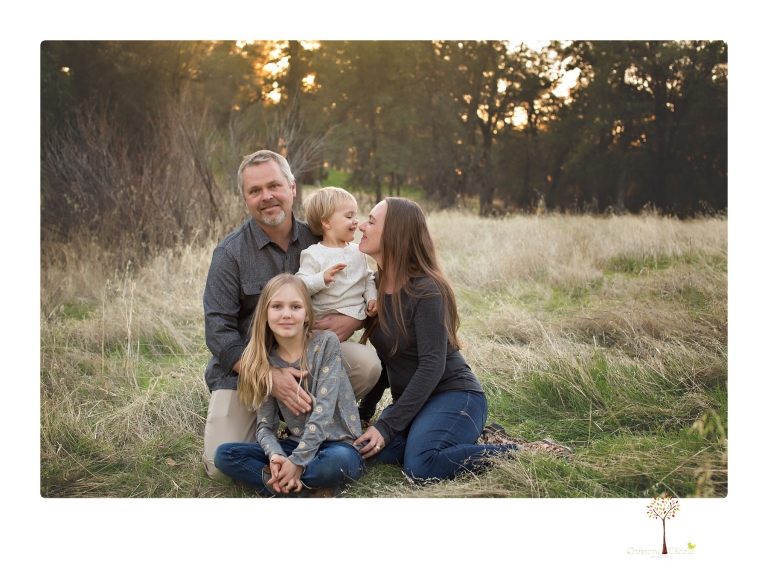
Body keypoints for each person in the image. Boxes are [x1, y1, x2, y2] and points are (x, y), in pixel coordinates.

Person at [353, 197, 571, 483]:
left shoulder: (427, 290)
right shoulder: (374, 288)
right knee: (368, 451)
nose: (361, 227)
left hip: (454, 395)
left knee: (421, 467)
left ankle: (525, 451)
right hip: (416, 401)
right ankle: (466, 437)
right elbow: (386, 356)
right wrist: (365, 415)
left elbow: (432, 365)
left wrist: (388, 426)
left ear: (395, 231)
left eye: (371, 221)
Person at [202, 150, 381, 479]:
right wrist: (268, 375)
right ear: (245, 198)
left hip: (312, 360)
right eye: (255, 191)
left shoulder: (320, 238)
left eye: (274, 186)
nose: (266, 197)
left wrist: (355, 319)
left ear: (292, 187)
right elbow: (218, 332)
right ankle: (278, 444)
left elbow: (362, 276)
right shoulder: (230, 254)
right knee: (218, 467)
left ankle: (314, 429)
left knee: (367, 363)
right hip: (249, 372)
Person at [214, 274, 365, 496]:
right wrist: (276, 456)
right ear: (265, 314)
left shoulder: (326, 343)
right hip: (294, 445)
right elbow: (265, 426)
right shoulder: (266, 362)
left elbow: (322, 413)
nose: (286, 314)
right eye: (277, 306)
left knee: (337, 463)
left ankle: (277, 484)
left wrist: (298, 462)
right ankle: (305, 490)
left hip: (336, 446)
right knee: (225, 455)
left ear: (306, 315)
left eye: (295, 307)